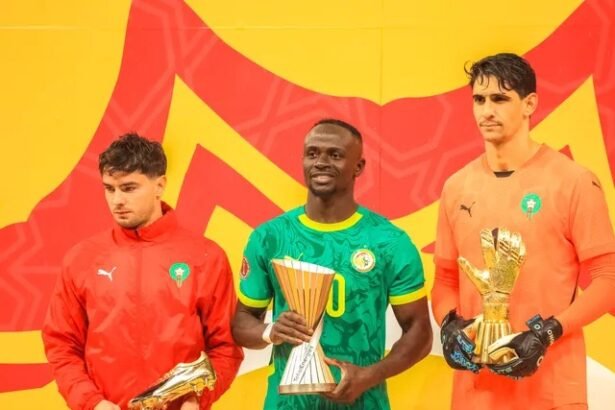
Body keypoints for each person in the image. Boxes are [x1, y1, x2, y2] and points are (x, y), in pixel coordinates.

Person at [432, 52, 615, 409]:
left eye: (500, 99)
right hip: (475, 394)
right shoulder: (456, 187)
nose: (487, 111)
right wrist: (449, 324)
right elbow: (445, 279)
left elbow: (608, 279)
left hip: (552, 389)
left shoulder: (573, 181)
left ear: (529, 103)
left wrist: (548, 332)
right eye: (479, 100)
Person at [231, 119, 432, 409]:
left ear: (358, 167)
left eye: (335, 155)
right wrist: (270, 331)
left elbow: (420, 332)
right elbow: (241, 322)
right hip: (287, 404)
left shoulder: (389, 242)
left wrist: (369, 376)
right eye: (312, 154)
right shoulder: (269, 238)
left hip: (364, 403)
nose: (321, 162)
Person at [42, 134, 243, 410]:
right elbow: (62, 345)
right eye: (109, 189)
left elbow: (226, 348)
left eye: (129, 188)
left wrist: (197, 399)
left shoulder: (206, 257)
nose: (117, 200)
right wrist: (92, 403)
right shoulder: (81, 259)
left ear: (159, 185)